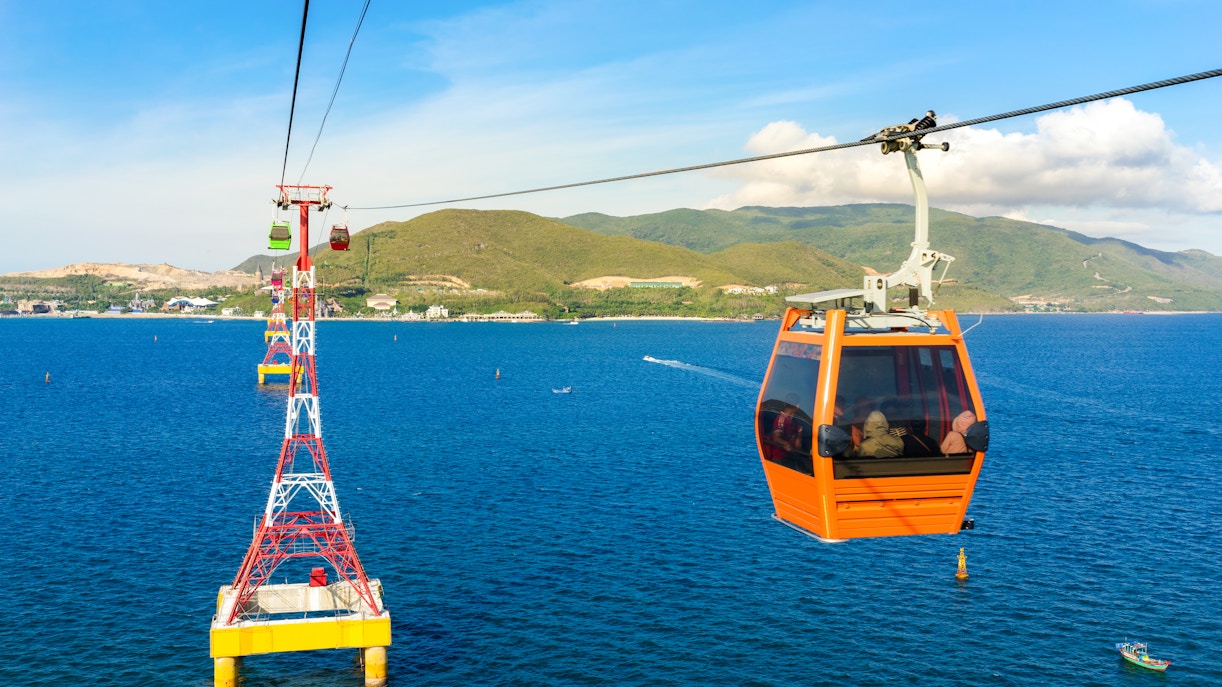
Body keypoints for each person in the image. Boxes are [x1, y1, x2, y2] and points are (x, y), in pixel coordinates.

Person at [766, 393, 804, 460]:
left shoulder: (795, 422)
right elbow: (776, 438)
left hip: (791, 456)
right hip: (780, 458)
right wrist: (786, 443)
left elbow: (798, 444)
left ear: (784, 403)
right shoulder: (781, 419)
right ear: (798, 406)